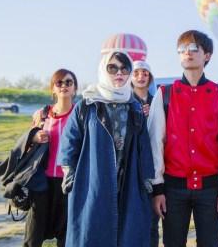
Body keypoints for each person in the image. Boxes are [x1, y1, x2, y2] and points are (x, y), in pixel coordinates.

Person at [147, 30, 218, 247]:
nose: (187, 53)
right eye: (182, 50)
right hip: (172, 189)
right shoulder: (165, 93)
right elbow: (155, 143)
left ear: (207, 55)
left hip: (211, 189)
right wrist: (158, 188)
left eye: (193, 48)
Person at [58, 51, 154, 247]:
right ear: (103, 69)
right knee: (92, 233)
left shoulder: (134, 107)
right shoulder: (87, 105)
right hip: (92, 180)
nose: (119, 73)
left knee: (127, 234)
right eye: (113, 68)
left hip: (128, 180)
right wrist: (70, 174)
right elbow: (70, 141)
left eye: (124, 68)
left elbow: (144, 145)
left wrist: (146, 178)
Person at [25, 68, 78, 247]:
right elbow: (27, 143)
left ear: (75, 88)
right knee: (34, 234)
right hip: (42, 181)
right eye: (59, 83)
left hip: (69, 183)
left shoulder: (81, 115)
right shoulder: (43, 115)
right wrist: (34, 136)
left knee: (67, 236)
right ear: (53, 89)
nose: (64, 86)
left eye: (69, 82)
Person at [131, 60, 159, 247]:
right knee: (130, 218)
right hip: (131, 166)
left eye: (145, 73)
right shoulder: (124, 102)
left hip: (154, 167)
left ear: (150, 78)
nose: (141, 76)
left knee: (152, 219)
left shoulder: (158, 101)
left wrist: (151, 116)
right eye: (137, 73)